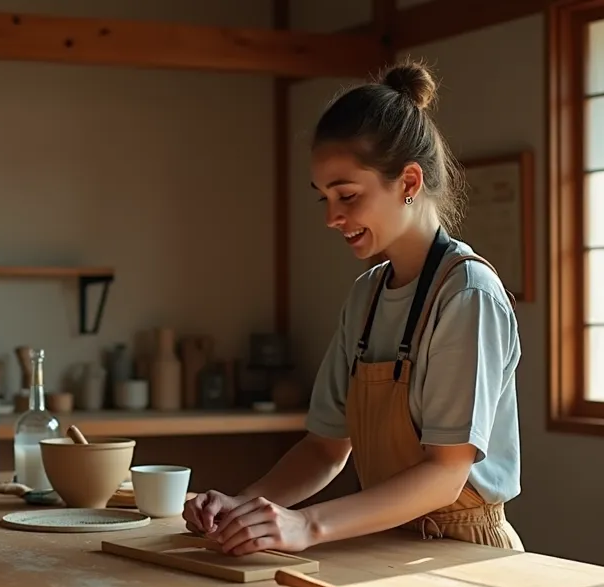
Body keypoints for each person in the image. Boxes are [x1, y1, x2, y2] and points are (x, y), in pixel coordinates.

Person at [183, 60, 523, 556]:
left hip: (464, 551)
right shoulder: (366, 297)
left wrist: (307, 527)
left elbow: (446, 474)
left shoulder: (467, 295)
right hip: (388, 543)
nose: (331, 216)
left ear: (408, 183)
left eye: (347, 195)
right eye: (323, 197)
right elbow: (324, 449)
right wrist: (240, 508)